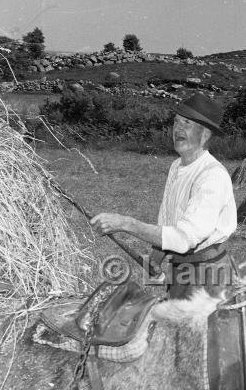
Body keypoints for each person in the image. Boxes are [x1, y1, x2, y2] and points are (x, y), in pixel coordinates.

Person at [90, 93, 237, 299]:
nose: (178, 129)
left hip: (208, 279)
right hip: (183, 272)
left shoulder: (212, 176)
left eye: (187, 123)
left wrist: (126, 223)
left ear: (205, 135)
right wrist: (158, 253)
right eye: (176, 122)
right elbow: (170, 222)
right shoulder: (177, 166)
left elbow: (183, 239)